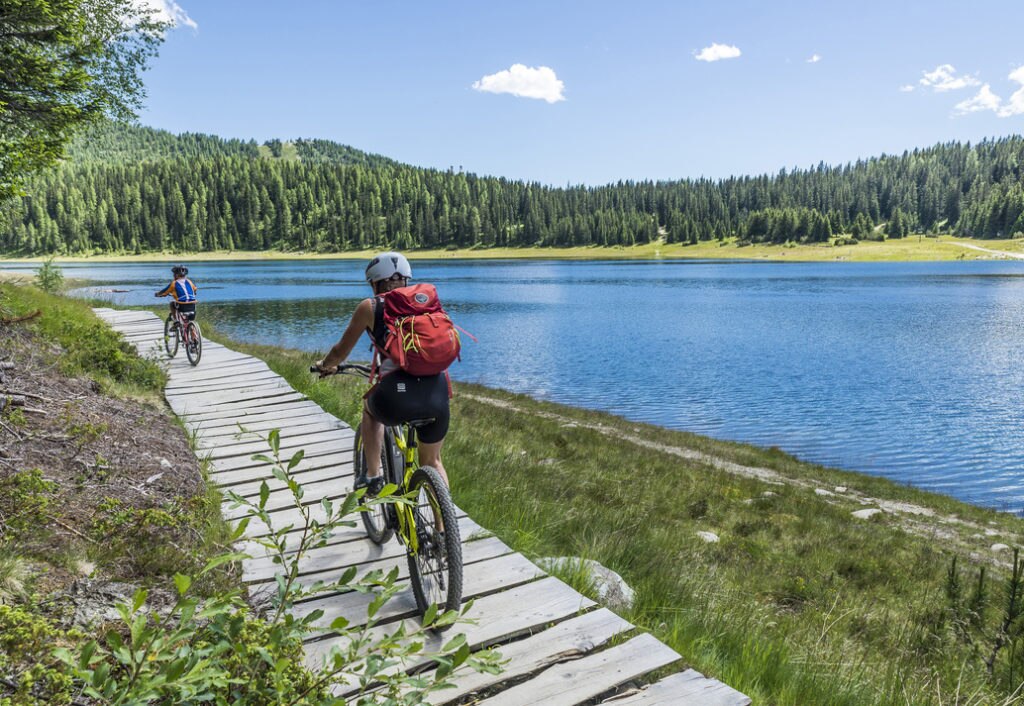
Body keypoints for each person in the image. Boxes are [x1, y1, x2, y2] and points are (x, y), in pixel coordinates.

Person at [315, 252, 451, 496]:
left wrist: (326, 365)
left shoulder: (370, 306)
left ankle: (373, 476)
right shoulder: (426, 302)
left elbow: (339, 351)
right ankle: (444, 532)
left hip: (396, 395)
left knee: (370, 410)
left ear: (374, 282)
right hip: (438, 391)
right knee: (433, 462)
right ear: (406, 279)